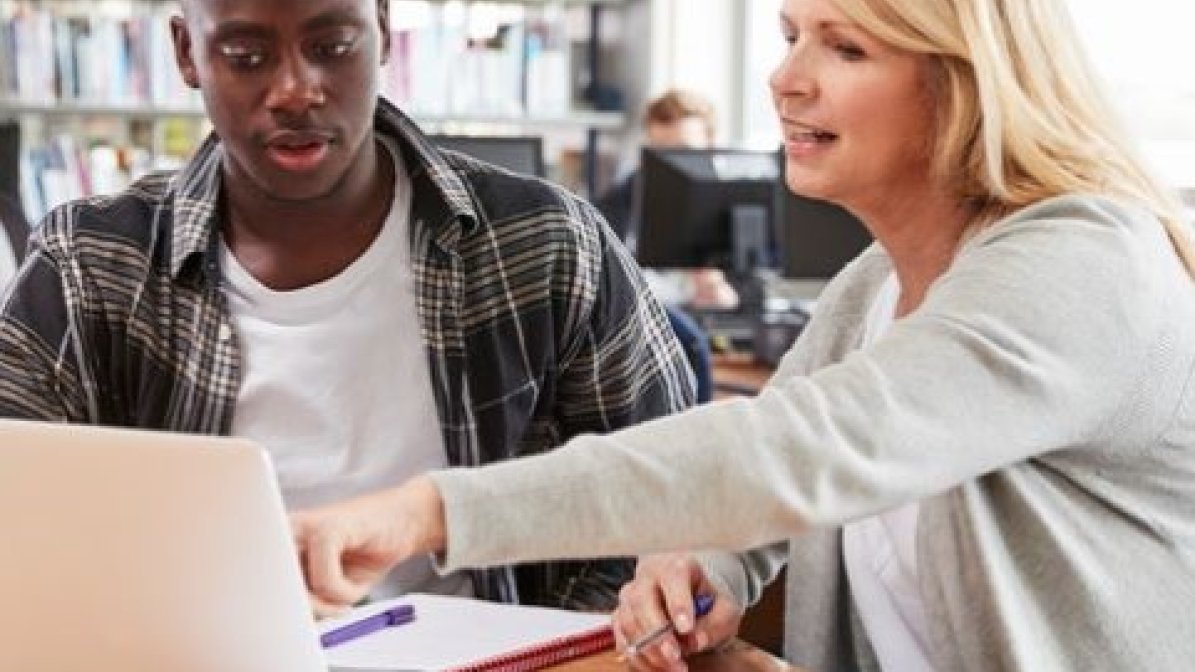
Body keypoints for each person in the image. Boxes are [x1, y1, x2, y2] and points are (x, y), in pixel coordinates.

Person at [294, 0, 1195, 668]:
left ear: (964, 83)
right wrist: (709, 567)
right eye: (789, 34)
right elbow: (770, 493)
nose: (786, 77)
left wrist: (429, 513)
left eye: (844, 46)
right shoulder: (873, 289)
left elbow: (800, 449)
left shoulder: (1087, 262)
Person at [0, 0, 695, 614]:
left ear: (384, 30)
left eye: (332, 47)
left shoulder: (546, 243)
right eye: (246, 56)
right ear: (187, 53)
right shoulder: (87, 263)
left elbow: (667, 498)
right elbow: (18, 528)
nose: (295, 90)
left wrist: (547, 649)